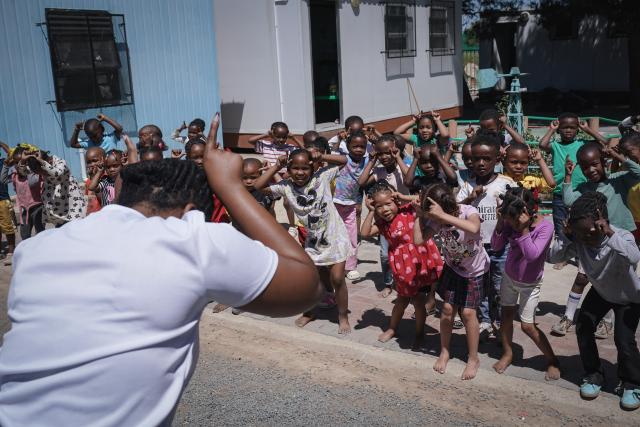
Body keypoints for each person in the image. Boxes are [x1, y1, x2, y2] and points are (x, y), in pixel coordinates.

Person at [0, 114, 322, 426]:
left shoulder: (34, 251)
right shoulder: (190, 239)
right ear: (190, 212)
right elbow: (307, 287)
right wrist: (230, 186)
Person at [547, 192, 640, 410]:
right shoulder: (579, 238)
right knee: (584, 327)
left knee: (624, 341)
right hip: (601, 292)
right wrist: (567, 237)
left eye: (590, 233)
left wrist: (610, 235)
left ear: (603, 223)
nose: (586, 239)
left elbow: (634, 256)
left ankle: (633, 382)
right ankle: (593, 374)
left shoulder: (619, 235)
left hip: (629, 297)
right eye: (580, 235)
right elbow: (553, 257)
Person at [254, 149, 352, 334]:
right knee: (311, 280)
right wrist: (276, 166)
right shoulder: (285, 187)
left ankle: (343, 316)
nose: (300, 172)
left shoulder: (322, 177)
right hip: (313, 241)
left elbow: (343, 160)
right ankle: (310, 311)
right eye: (295, 168)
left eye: (305, 168)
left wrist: (322, 156)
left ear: (313, 167)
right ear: (289, 169)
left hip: (335, 237)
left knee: (337, 278)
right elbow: (258, 186)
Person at [414, 183, 489, 380]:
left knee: (468, 313)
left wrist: (442, 216)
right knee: (447, 310)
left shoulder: (467, 211)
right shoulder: (437, 221)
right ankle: (445, 351)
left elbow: (474, 227)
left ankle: (473, 358)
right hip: (453, 268)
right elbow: (418, 240)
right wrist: (419, 215)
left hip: (475, 271)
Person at [361, 181, 442, 347]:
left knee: (419, 301)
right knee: (401, 301)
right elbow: (364, 233)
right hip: (404, 269)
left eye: (388, 203)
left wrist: (403, 196)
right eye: (379, 206)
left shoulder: (410, 210)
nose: (385, 209)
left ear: (396, 201)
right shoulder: (383, 225)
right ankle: (392, 328)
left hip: (421, 263)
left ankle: (419, 334)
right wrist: (370, 212)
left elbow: (428, 198)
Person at [490, 186, 560, 380]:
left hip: (531, 283)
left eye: (512, 220)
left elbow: (532, 255)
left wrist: (523, 230)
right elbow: (496, 246)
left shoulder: (545, 227)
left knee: (527, 326)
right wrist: (500, 223)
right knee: (506, 317)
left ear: (528, 212)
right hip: (510, 278)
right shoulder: (508, 221)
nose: (510, 224)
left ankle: (553, 360)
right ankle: (508, 353)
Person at [456, 133, 514, 340]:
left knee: (498, 288)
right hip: (475, 247)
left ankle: (498, 321)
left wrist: (506, 211)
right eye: (477, 158)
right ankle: (485, 321)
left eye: (486, 159)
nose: (481, 163)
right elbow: (455, 211)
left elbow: (518, 212)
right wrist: (471, 198)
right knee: (479, 286)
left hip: (499, 246)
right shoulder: (467, 186)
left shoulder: (506, 184)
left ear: (497, 159)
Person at [358, 135, 411, 296]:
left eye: (389, 152)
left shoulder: (404, 166)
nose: (385, 156)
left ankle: (407, 280)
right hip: (385, 218)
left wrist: (398, 158)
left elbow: (410, 180)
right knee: (384, 254)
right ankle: (388, 282)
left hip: (404, 215)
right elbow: (361, 182)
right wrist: (372, 161)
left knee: (405, 250)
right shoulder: (379, 171)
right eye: (381, 153)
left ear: (396, 150)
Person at [248, 121, 301, 233]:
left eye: (284, 137)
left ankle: (292, 226)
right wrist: (265, 135)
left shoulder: (290, 147)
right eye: (278, 137)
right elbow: (250, 141)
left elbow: (304, 150)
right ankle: (274, 226)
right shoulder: (265, 145)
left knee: (287, 203)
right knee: (270, 205)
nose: (281, 140)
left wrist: (294, 138)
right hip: (269, 179)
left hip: (286, 178)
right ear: (272, 135)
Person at [333, 130, 369, 281]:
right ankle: (333, 264)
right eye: (355, 146)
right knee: (334, 235)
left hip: (350, 205)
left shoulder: (366, 161)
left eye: (362, 146)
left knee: (352, 236)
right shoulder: (342, 159)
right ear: (347, 146)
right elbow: (330, 153)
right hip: (334, 203)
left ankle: (350, 266)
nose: (359, 149)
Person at [21, 149, 86, 227]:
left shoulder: (60, 162)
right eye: (39, 173)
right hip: (58, 215)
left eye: (43, 172)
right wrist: (23, 161)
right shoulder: (39, 167)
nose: (42, 174)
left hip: (72, 209)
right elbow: (24, 172)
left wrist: (42, 162)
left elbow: (56, 173)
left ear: (50, 161)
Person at [0, 143, 42, 245]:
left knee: (41, 232)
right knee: (25, 234)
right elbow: (3, 179)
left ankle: (43, 250)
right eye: (16, 162)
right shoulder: (15, 176)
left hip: (38, 207)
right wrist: (6, 165)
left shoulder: (34, 173)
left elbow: (32, 183)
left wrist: (26, 165)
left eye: (22, 162)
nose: (18, 165)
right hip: (24, 210)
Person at [186, 138, 229, 224]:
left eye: (203, 156)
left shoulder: (218, 176)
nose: (200, 161)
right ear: (188, 158)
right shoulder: (185, 179)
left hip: (218, 225)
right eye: (195, 158)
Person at [618, 133, 640, 242]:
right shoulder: (626, 164)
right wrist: (615, 159)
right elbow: (615, 175)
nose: (627, 156)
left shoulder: (629, 164)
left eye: (629, 152)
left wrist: (619, 157)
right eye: (624, 154)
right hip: (633, 218)